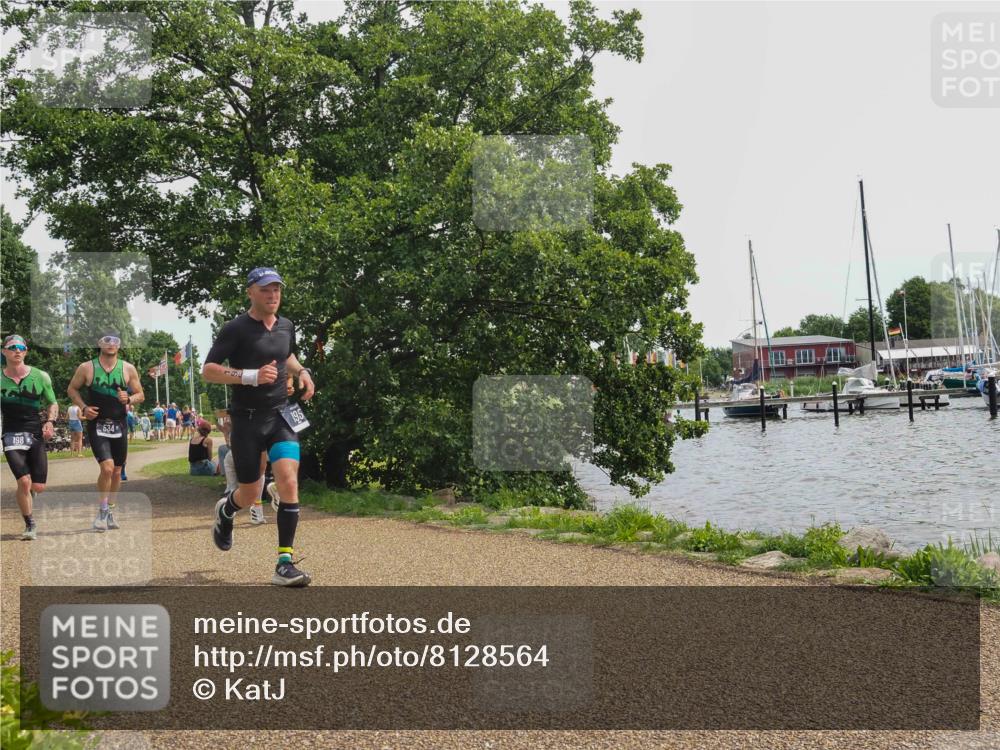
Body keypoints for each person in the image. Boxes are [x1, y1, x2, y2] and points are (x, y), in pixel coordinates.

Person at [203, 267, 315, 586]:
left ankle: (284, 563)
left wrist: (302, 371)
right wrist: (249, 376)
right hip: (247, 419)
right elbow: (209, 370)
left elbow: (286, 355)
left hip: (281, 415)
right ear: (251, 291)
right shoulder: (235, 329)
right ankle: (226, 512)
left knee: (289, 480)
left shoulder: (286, 326)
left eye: (277, 289)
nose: (273, 295)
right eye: (266, 289)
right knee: (251, 491)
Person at [67, 332, 144, 531]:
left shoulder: (128, 368)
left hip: (119, 424)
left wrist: (129, 399)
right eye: (106, 340)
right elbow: (72, 390)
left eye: (115, 340)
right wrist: (84, 408)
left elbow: (140, 394)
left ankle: (110, 510)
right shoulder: (87, 367)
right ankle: (101, 511)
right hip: (98, 423)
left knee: (118, 471)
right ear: (99, 343)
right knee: (107, 468)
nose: (111, 344)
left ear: (120, 345)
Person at [1, 334, 58, 540]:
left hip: (34, 432)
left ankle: (31, 493)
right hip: (11, 433)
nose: (17, 350)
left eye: (21, 347)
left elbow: (52, 402)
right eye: (12, 347)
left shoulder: (41, 376)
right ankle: (29, 524)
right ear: (4, 352)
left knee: (38, 486)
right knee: (24, 482)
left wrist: (50, 421)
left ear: (26, 352)